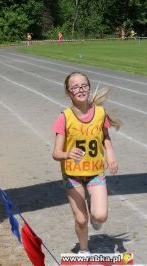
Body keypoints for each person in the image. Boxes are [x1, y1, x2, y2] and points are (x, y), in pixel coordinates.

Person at [52, 72, 120, 255]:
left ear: (89, 88)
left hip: (95, 172)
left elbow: (106, 137)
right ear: (68, 92)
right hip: (72, 176)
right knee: (81, 219)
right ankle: (84, 250)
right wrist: (67, 153)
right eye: (75, 87)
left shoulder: (100, 113)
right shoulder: (64, 117)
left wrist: (110, 154)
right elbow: (56, 153)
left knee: (100, 216)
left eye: (84, 86)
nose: (80, 89)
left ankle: (95, 218)